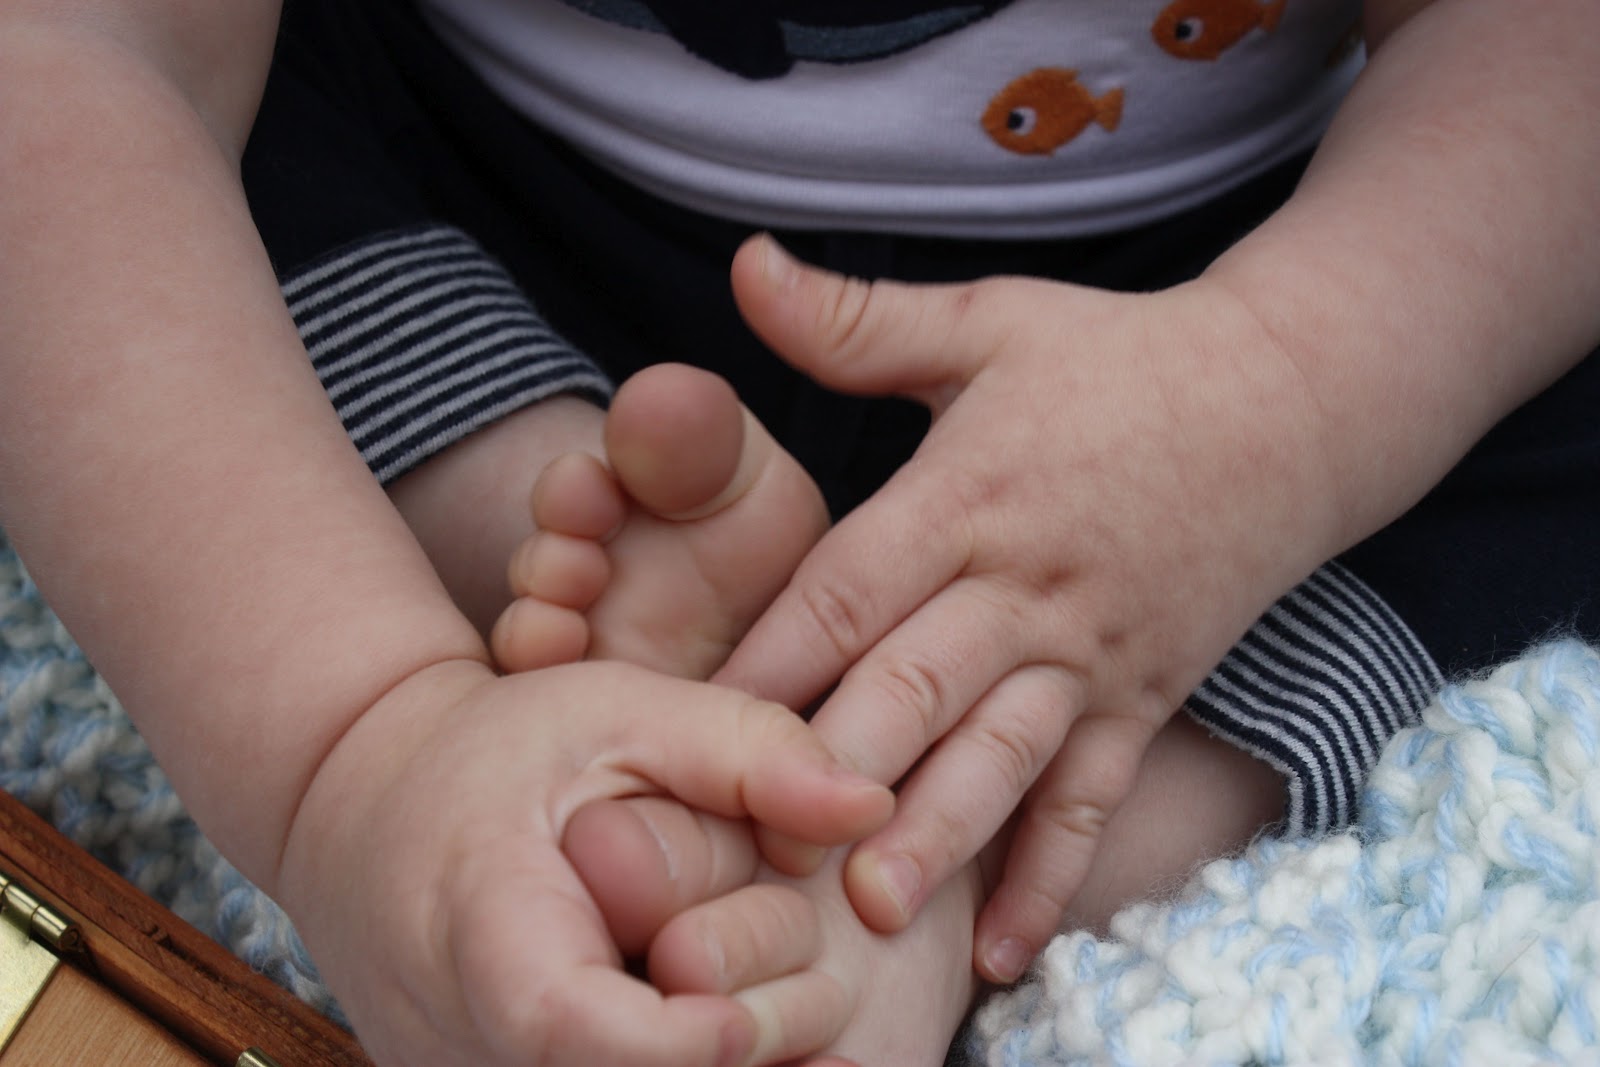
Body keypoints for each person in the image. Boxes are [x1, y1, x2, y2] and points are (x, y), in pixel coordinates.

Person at [1, 0, 1596, 1065]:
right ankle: (568, 579)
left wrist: (1284, 386)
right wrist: (358, 751)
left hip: (1259, 288)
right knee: (121, 202)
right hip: (481, 209)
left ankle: (951, 852)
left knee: (1523, 326)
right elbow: (76, 56)